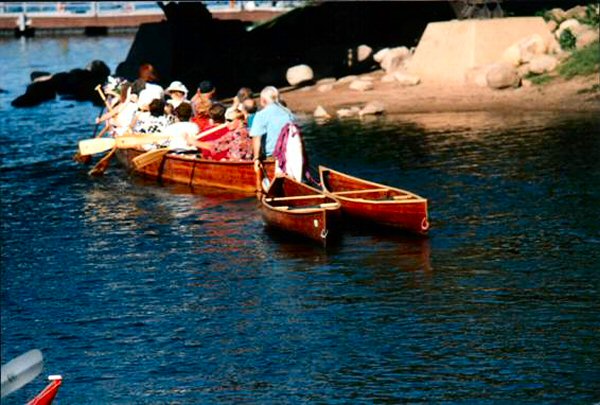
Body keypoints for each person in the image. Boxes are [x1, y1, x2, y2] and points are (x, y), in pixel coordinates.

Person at [250, 86, 295, 171]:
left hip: (272, 157)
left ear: (263, 100)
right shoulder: (288, 113)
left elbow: (256, 138)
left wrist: (256, 159)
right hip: (290, 154)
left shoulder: (261, 115)